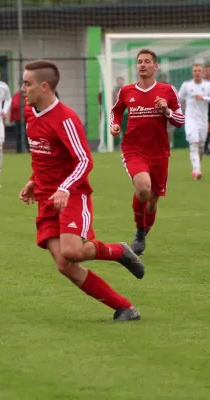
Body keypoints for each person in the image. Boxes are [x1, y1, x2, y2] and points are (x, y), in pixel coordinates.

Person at [18, 60, 144, 322]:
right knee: (65, 264)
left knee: (73, 252)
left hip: (73, 194)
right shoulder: (30, 114)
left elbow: (84, 160)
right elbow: (45, 156)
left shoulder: (65, 118)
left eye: (26, 83)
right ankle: (124, 308)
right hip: (46, 198)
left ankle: (118, 251)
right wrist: (33, 181)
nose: (22, 88)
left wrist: (64, 187)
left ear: (43, 86)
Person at [110, 49, 184, 256]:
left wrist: (166, 111)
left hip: (159, 153)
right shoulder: (126, 91)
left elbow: (179, 121)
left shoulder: (168, 90)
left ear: (155, 66)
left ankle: (143, 230)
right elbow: (115, 111)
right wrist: (114, 126)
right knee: (143, 189)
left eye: (147, 62)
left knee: (152, 203)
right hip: (133, 150)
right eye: (139, 62)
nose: (142, 65)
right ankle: (140, 231)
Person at [178, 64, 210, 179]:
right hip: (191, 120)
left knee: (201, 146)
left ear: (202, 73)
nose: (197, 72)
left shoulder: (208, 86)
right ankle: (196, 171)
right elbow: (178, 99)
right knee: (194, 143)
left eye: (199, 71)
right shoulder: (186, 85)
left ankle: (197, 165)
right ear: (192, 73)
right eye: (195, 70)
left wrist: (203, 98)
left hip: (203, 120)